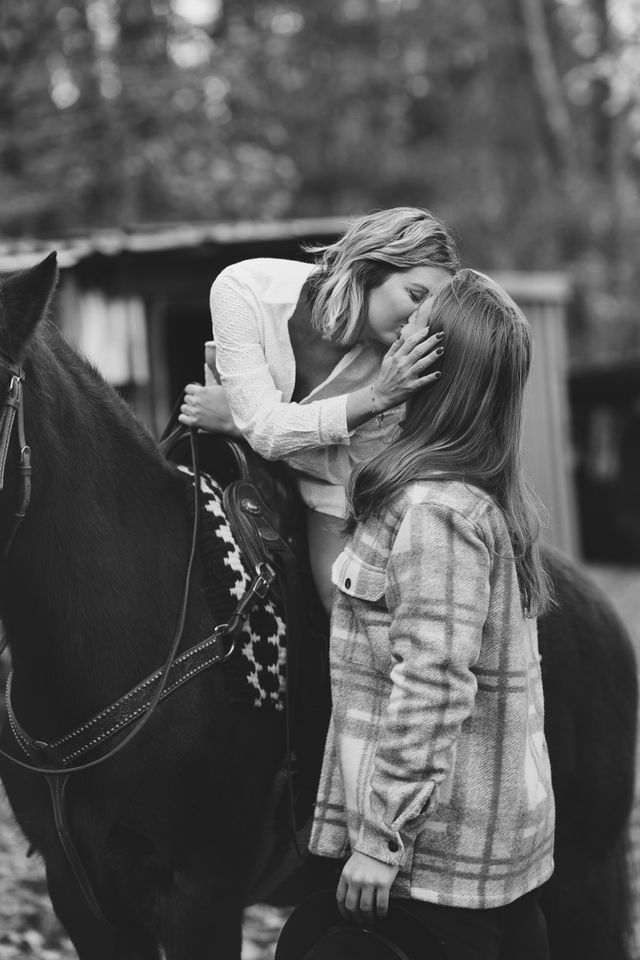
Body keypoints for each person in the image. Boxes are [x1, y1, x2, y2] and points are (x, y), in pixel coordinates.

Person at [306, 268, 556, 960]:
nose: (399, 331)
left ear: (434, 365)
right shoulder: (483, 494)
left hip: (432, 874)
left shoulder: (435, 510)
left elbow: (435, 683)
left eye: (418, 320)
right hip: (481, 859)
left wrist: (381, 843)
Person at [178, 207, 459, 612]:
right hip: (224, 466)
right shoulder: (244, 289)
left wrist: (237, 421)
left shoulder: (400, 362)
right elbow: (268, 432)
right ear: (368, 268)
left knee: (340, 605)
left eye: (431, 310)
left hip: (330, 494)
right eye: (415, 295)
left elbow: (351, 469)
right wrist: (367, 404)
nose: (420, 319)